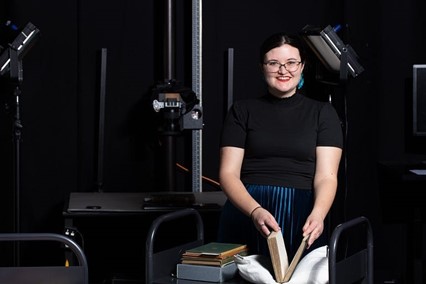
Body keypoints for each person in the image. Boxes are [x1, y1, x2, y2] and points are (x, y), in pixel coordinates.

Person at [217, 32, 343, 260]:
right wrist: (254, 211)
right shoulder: (241, 111)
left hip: (301, 211)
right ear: (262, 67)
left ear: (302, 66)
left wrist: (319, 214)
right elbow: (228, 173)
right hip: (247, 208)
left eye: (291, 62)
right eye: (274, 63)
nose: (283, 70)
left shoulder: (323, 113)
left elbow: (327, 176)